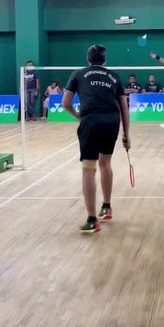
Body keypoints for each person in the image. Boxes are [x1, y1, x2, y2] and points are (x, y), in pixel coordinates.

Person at [62, 44, 130, 235]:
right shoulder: (114, 76)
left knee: (88, 168)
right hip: (111, 121)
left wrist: (79, 117)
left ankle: (92, 220)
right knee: (105, 162)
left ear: (88, 59)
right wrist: (126, 134)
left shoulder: (78, 74)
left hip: (91, 121)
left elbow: (65, 103)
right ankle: (106, 207)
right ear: (104, 60)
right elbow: (124, 107)